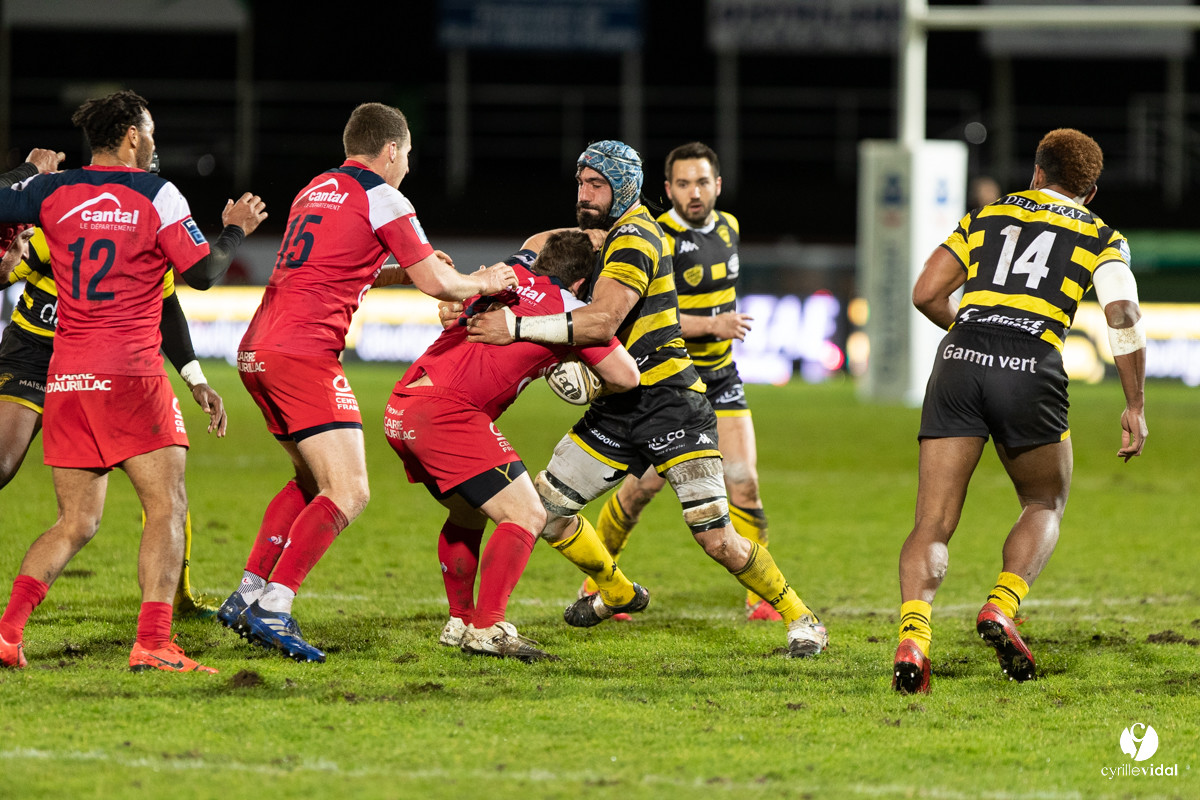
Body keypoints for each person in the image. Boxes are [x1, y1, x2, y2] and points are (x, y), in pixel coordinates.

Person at [466, 140, 828, 657]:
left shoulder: (635, 237)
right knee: (543, 511)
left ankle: (802, 618)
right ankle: (615, 590)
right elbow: (540, 245)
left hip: (670, 402)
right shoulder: (604, 232)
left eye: (596, 185)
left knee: (715, 536)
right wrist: (472, 293)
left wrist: (515, 327)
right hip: (615, 406)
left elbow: (601, 321)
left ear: (624, 188)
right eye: (581, 183)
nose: (584, 194)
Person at [216, 102, 517, 663]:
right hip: (303, 354)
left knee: (311, 479)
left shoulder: (317, 187)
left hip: (258, 349)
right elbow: (440, 285)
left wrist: (400, 271)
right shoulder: (384, 196)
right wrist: (484, 280)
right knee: (350, 490)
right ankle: (275, 605)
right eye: (408, 155)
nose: (409, 166)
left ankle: (249, 592)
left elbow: (335, 265)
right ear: (392, 150)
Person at [0, 89, 267, 673]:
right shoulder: (156, 193)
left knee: (76, 522)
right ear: (130, 137)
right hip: (131, 376)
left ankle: (7, 633)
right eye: (150, 133)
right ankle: (153, 643)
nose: (152, 143)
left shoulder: (53, 190)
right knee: (167, 506)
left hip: (67, 377)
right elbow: (203, 273)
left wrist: (26, 173)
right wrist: (233, 229)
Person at [892, 128, 1147, 694]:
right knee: (1043, 500)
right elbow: (1123, 315)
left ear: (1036, 173)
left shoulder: (987, 215)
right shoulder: (1101, 236)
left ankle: (914, 638)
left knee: (932, 522)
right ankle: (1001, 606)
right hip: (1031, 363)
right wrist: (1134, 403)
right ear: (1091, 191)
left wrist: (970, 335)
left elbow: (926, 292)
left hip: (960, 357)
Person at [386, 230, 639, 662]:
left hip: (402, 406)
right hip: (447, 414)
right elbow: (626, 376)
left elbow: (529, 245)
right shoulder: (571, 310)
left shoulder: (505, 275)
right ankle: (488, 628)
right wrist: (576, 354)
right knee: (527, 514)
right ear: (584, 282)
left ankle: (460, 621)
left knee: (467, 513)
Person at [1, 155, 227, 618]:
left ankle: (177, 596)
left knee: (119, 506)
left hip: (83, 362)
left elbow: (168, 309)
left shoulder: (139, 228)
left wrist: (195, 377)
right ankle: (156, 630)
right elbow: (7, 272)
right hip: (37, 355)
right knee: (158, 495)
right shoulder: (71, 219)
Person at [580, 141, 780, 621]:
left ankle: (763, 599)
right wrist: (714, 324)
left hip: (722, 377)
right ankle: (599, 582)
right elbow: (653, 313)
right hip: (670, 382)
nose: (695, 192)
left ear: (718, 185)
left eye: (703, 182)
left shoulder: (729, 227)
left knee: (745, 483)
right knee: (638, 492)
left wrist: (718, 328)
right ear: (667, 190)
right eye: (684, 184)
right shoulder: (655, 235)